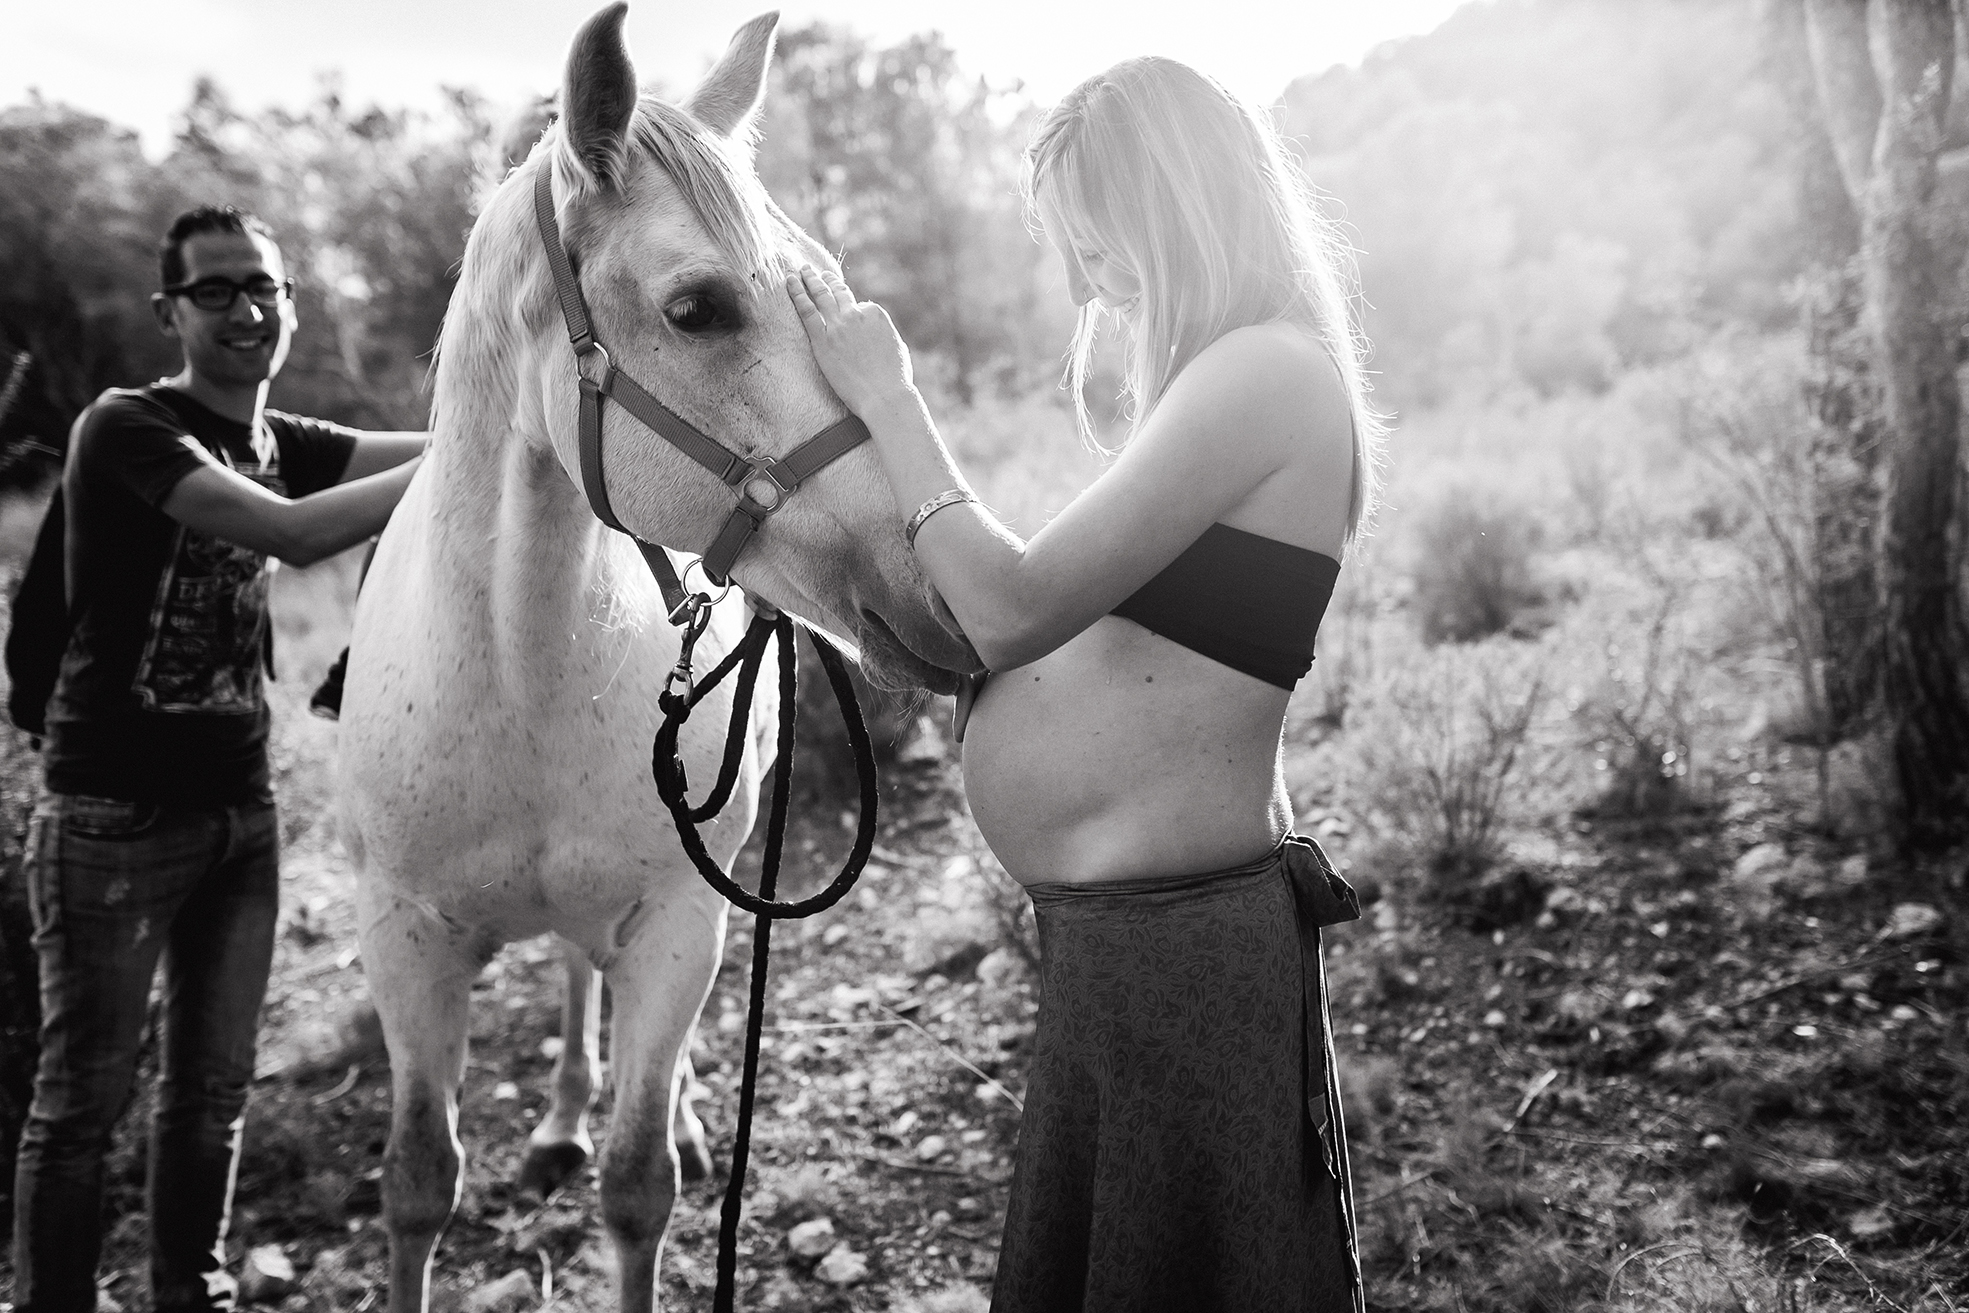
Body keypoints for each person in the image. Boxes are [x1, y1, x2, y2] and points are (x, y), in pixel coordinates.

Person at [787, 56, 1381, 1313]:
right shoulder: (1236, 375)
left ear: (1169, 208)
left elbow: (1011, 606)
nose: (1081, 286)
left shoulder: (1265, 372)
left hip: (1179, 945)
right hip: (1133, 941)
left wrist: (891, 401)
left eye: (1094, 246)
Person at [11, 205, 424, 1312]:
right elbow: (292, 532)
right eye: (216, 289)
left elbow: (432, 449)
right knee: (81, 1103)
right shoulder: (127, 426)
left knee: (212, 1091)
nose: (247, 309)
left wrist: (520, 421)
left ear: (289, 302)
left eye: (264, 287)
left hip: (240, 814)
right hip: (112, 816)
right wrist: (482, 448)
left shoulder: (281, 439)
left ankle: (190, 1294)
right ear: (170, 312)